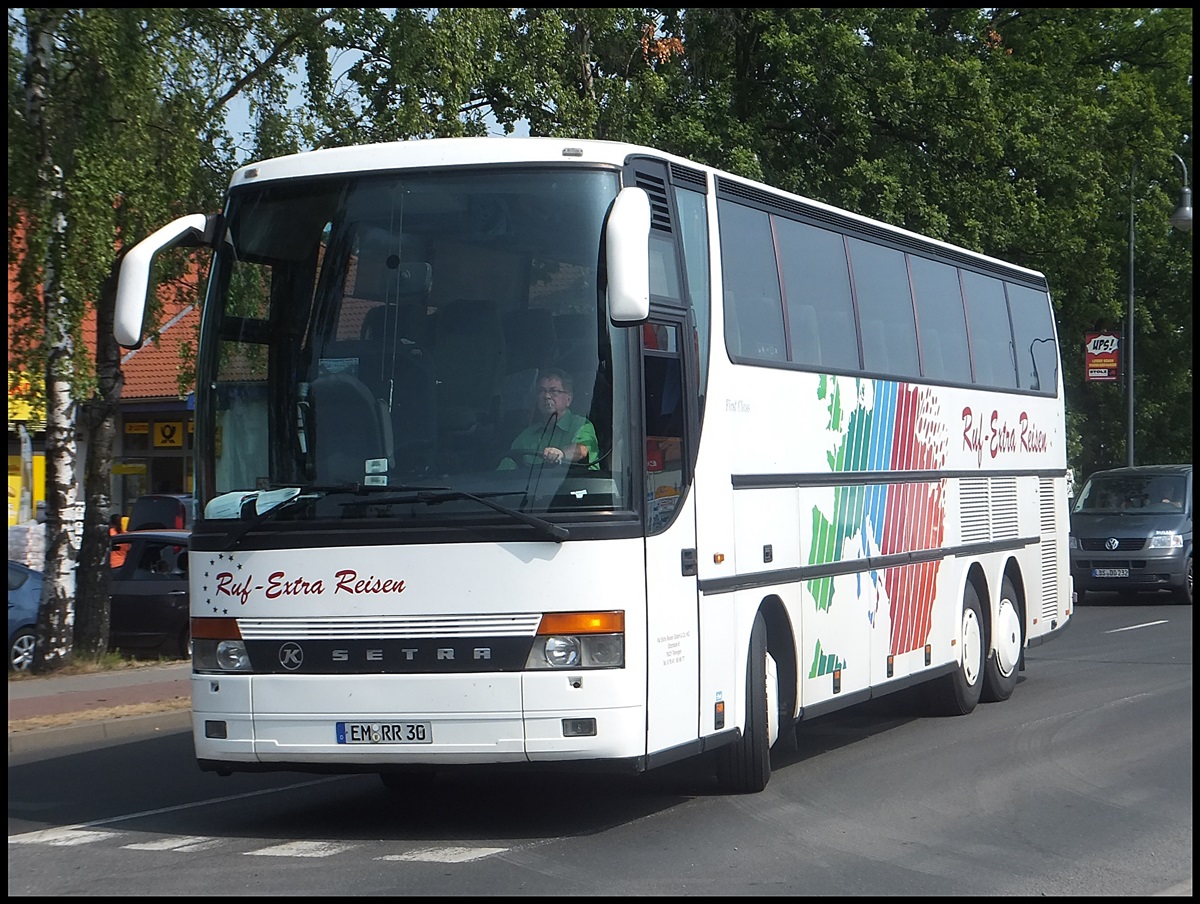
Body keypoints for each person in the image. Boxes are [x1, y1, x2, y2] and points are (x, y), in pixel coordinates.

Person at [498, 367, 599, 470]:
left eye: (553, 391)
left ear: (568, 399)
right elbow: (503, 473)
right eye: (541, 391)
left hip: (575, 485)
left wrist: (562, 454)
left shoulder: (581, 425)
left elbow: (582, 450)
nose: (546, 396)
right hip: (530, 486)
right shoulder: (527, 436)